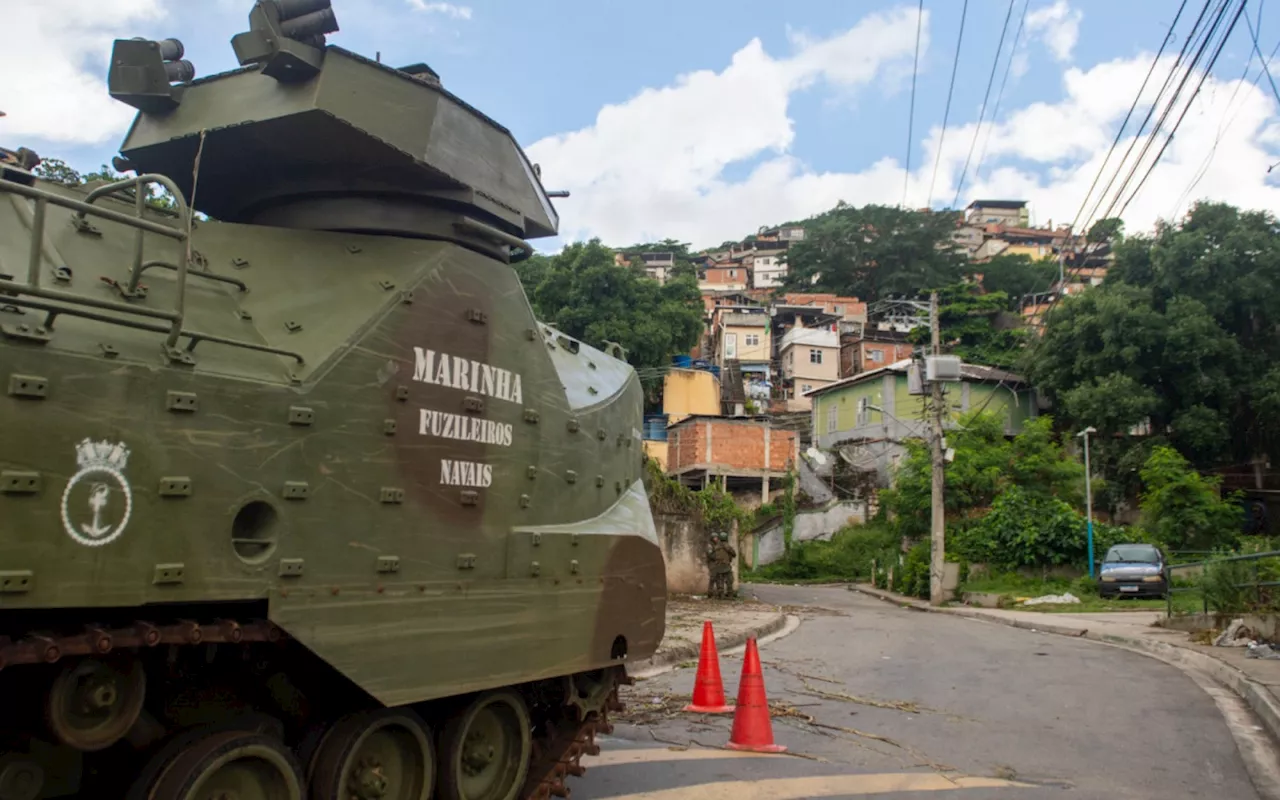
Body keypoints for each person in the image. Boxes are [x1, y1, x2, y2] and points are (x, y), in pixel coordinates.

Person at [706, 531, 737, 599]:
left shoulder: (716, 546)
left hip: (718, 565)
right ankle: (727, 594)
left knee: (720, 581)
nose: (716, 539)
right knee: (727, 580)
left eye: (717, 537)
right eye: (714, 537)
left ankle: (721, 595)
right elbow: (734, 554)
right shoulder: (712, 546)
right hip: (720, 565)